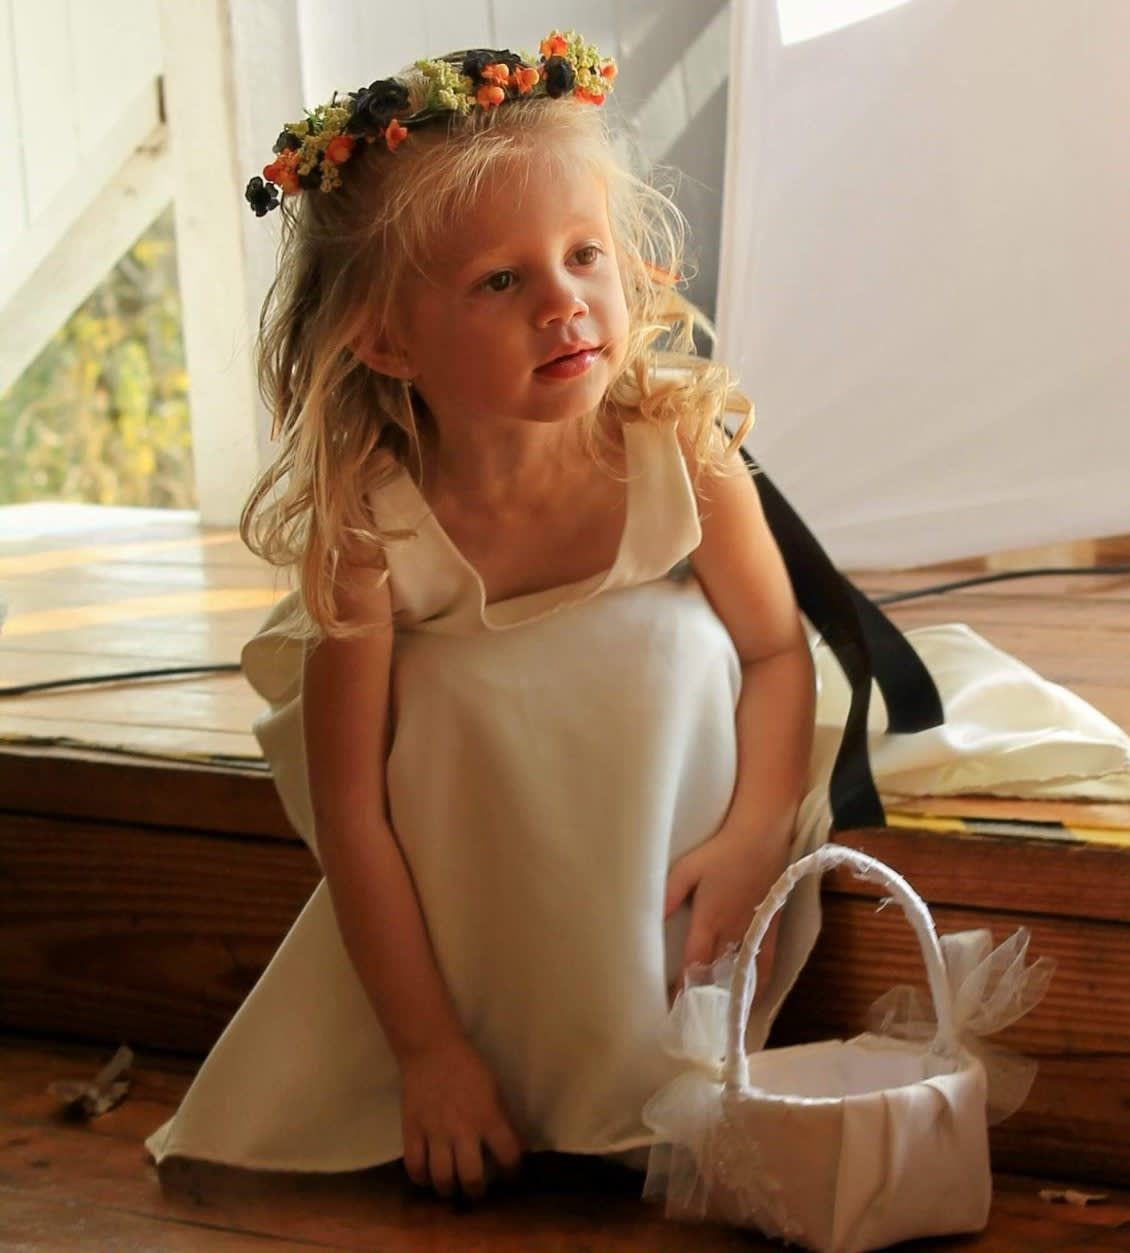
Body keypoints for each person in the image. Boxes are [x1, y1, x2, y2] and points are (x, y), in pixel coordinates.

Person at [144, 27, 1130, 1211]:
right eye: (500, 281)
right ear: (385, 337)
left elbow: (776, 650)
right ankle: (499, 1051)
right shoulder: (370, 536)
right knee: (447, 692)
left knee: (671, 645)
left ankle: (635, 1060)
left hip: (659, 774)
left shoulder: (676, 451)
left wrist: (754, 832)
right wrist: (425, 1049)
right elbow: (352, 814)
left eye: (583, 255)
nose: (562, 303)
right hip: (479, 792)